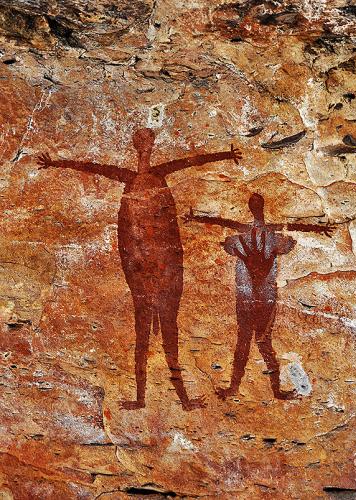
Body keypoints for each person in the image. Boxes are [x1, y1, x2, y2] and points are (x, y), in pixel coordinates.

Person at [38, 128, 242, 411]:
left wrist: (226, 154)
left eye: (147, 142)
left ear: (152, 145)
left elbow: (195, 161)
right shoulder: (130, 178)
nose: (144, 147)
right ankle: (142, 398)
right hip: (140, 270)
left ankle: (182, 399)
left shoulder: (157, 173)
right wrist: (56, 163)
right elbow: (91, 167)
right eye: (141, 143)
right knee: (143, 334)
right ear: (137, 146)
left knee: (169, 332)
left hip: (167, 268)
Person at [183, 193, 332, 400]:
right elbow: (222, 222)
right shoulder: (264, 233)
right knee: (256, 341)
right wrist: (197, 219)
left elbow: (222, 222)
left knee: (255, 341)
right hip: (254, 297)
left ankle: (254, 389)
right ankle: (249, 388)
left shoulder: (255, 233)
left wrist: (197, 219)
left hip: (259, 296)